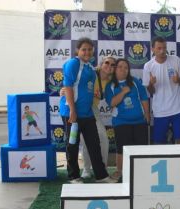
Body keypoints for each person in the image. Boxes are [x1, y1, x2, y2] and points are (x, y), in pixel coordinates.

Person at [59, 37, 116, 184]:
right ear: (77, 50)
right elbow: (69, 87)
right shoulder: (73, 63)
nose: (87, 52)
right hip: (72, 113)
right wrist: (72, 110)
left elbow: (88, 88)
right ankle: (73, 176)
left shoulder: (90, 68)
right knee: (72, 145)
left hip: (87, 113)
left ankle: (101, 175)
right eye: (84, 49)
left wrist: (96, 94)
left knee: (94, 144)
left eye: (90, 49)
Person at [105, 58, 150, 181]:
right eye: (120, 67)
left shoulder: (135, 82)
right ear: (115, 69)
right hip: (121, 122)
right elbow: (112, 103)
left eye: (126, 67)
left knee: (141, 149)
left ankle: (141, 173)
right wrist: (124, 92)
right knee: (121, 149)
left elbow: (144, 98)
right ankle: (120, 172)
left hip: (140, 121)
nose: (123, 69)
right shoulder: (111, 86)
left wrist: (147, 114)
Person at [142, 36, 180, 144]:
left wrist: (179, 80)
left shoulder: (175, 60)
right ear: (152, 49)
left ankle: (179, 160)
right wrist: (150, 84)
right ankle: (161, 161)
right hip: (160, 110)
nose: (162, 51)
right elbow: (151, 92)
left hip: (177, 108)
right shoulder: (148, 66)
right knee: (159, 142)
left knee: (179, 139)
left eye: (164, 48)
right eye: (159, 48)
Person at [80, 56, 116, 179]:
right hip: (80, 107)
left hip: (93, 109)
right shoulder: (90, 72)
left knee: (104, 138)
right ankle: (86, 169)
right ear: (101, 64)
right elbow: (74, 83)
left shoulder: (112, 81)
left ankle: (103, 168)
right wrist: (63, 90)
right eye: (107, 63)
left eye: (113, 65)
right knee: (85, 140)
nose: (109, 66)